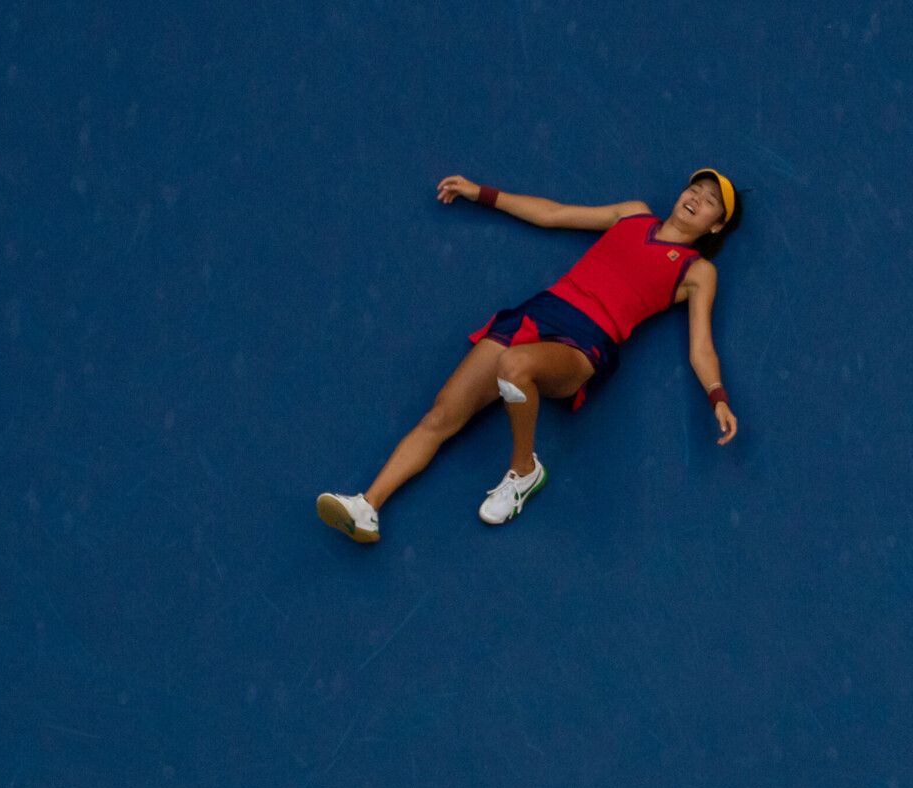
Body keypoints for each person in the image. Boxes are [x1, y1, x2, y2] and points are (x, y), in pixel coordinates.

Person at [316, 169, 742, 542]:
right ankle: (367, 507)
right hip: (539, 312)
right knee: (441, 415)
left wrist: (717, 396)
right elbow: (552, 214)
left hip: (585, 344)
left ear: (715, 226)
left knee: (514, 367)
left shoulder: (698, 272)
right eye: (695, 190)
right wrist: (481, 193)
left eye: (708, 202)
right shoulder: (632, 213)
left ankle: (524, 472)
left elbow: (701, 345)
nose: (695, 199)